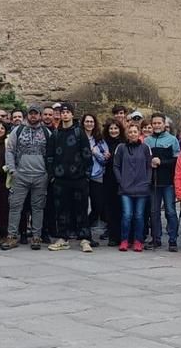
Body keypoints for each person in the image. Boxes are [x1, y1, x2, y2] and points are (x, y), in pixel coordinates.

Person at [46, 103, 94, 252]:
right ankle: (63, 238)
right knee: (61, 210)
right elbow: (49, 156)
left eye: (68, 112)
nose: (65, 114)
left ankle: (85, 239)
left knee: (81, 209)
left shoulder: (79, 133)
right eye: (63, 112)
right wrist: (52, 175)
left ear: (72, 115)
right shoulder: (55, 134)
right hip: (60, 179)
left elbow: (87, 155)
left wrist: (86, 175)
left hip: (79, 179)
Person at [1, 105, 49, 250]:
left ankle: (36, 237)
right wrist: (12, 170)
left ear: (39, 115)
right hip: (21, 175)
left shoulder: (47, 132)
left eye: (36, 114)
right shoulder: (18, 130)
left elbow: (51, 153)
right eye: (31, 114)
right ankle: (12, 236)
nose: (33, 116)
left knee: (38, 207)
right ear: (27, 115)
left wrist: (48, 173)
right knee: (15, 207)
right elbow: (9, 150)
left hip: (40, 176)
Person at [144, 113, 180, 252]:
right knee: (154, 212)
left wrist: (162, 162)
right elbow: (144, 159)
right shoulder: (147, 141)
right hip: (153, 182)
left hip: (168, 182)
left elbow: (176, 161)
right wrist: (150, 163)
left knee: (170, 212)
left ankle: (173, 240)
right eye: (154, 123)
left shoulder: (172, 140)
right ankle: (156, 238)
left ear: (164, 124)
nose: (157, 125)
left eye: (159, 123)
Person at [114, 123, 152, 252]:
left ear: (139, 133)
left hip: (142, 188)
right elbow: (116, 166)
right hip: (126, 188)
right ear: (127, 134)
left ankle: (138, 240)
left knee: (139, 216)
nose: (133, 134)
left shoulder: (145, 148)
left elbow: (149, 166)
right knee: (127, 215)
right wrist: (121, 181)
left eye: (135, 132)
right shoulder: (121, 148)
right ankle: (124, 240)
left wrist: (147, 181)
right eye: (130, 132)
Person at [84, 114, 109, 232]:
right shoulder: (79, 138)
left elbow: (105, 160)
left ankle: (86, 225)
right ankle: (82, 230)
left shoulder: (100, 140)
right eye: (87, 121)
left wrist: (95, 153)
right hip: (82, 176)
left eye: (91, 121)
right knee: (81, 206)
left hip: (97, 175)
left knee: (98, 205)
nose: (89, 124)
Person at [102, 121, 125, 246]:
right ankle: (113, 235)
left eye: (116, 128)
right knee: (110, 208)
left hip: (122, 178)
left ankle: (123, 235)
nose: (113, 131)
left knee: (121, 208)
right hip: (108, 178)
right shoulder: (104, 143)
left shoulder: (123, 143)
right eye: (111, 128)